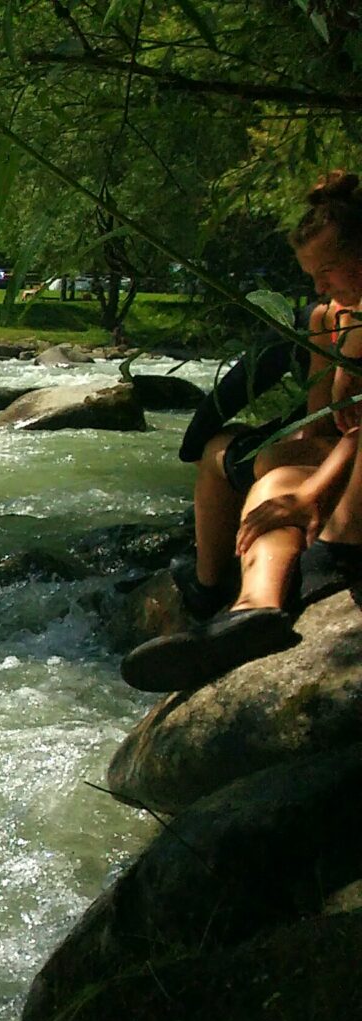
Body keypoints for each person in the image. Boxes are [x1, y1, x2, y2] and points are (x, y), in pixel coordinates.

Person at [122, 169, 362, 691]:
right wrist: (294, 458)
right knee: (274, 483)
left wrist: (313, 492)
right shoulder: (334, 315)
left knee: (282, 484)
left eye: (331, 270)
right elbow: (327, 422)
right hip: (349, 459)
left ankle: (234, 602)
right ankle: (252, 612)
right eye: (312, 276)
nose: (319, 287)